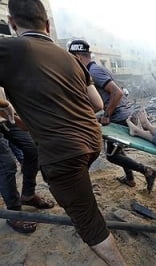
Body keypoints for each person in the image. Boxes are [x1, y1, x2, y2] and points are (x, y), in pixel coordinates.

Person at [1, 1, 125, 264]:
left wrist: (4, 105)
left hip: (63, 152)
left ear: (12, 23)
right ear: (46, 25)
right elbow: (97, 104)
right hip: (92, 142)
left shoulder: (9, 48)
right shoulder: (70, 57)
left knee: (89, 222)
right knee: (78, 190)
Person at [68, 39, 156, 190]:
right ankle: (130, 179)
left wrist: (107, 115)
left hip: (120, 118)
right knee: (118, 150)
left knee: (112, 156)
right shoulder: (95, 69)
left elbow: (117, 93)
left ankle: (147, 171)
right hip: (123, 115)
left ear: (78, 57)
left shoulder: (93, 72)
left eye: (71, 59)